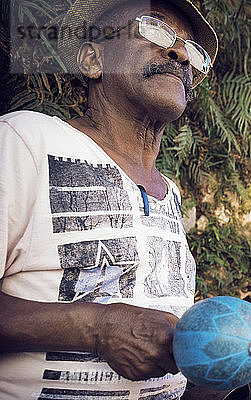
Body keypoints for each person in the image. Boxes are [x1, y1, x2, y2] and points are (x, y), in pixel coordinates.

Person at [0, 0, 218, 398]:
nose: (180, 54)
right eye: (154, 30)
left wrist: (218, 370)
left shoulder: (171, 195)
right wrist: (96, 328)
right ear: (92, 59)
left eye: (192, 50)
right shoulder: (25, 142)